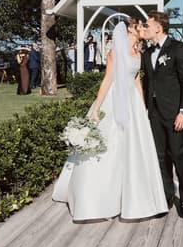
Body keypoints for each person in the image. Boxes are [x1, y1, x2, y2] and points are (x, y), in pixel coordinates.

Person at [52, 19, 168, 221]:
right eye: (139, 26)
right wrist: (96, 108)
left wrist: (142, 106)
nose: (142, 29)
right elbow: (107, 80)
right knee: (110, 147)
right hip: (114, 100)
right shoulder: (115, 52)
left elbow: (136, 79)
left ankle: (135, 197)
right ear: (131, 30)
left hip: (132, 103)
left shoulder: (138, 53)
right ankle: (98, 200)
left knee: (133, 149)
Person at [141, 11, 183, 218]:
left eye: (147, 25)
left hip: (175, 113)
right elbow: (147, 82)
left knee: (179, 155)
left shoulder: (179, 49)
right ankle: (165, 196)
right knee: (160, 156)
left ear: (158, 27)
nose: (144, 28)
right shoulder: (146, 53)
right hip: (153, 113)